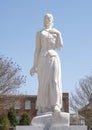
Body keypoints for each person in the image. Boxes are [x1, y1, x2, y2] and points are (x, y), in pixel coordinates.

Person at [30, 13, 63, 115]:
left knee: (55, 81)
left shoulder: (56, 32)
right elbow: (37, 49)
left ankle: (56, 105)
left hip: (53, 57)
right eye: (45, 18)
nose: (47, 19)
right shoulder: (39, 33)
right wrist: (34, 65)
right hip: (42, 59)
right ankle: (42, 107)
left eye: (49, 18)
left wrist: (59, 34)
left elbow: (60, 47)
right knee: (43, 83)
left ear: (52, 20)